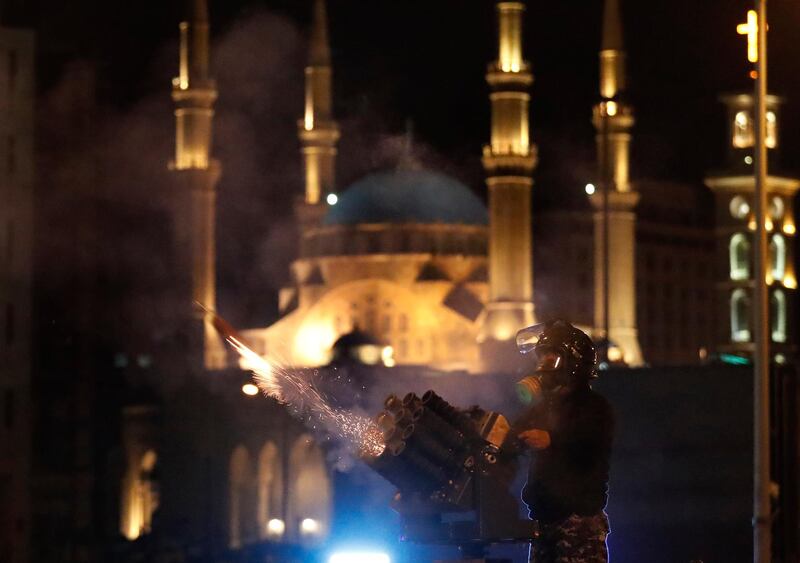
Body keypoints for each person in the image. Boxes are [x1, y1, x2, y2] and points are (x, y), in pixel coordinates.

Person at [514, 320, 614, 563]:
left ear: (572, 363)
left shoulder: (594, 407)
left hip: (578, 521)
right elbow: (513, 434)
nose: (544, 365)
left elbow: (588, 443)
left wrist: (551, 440)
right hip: (543, 519)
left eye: (552, 357)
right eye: (542, 357)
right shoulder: (542, 408)